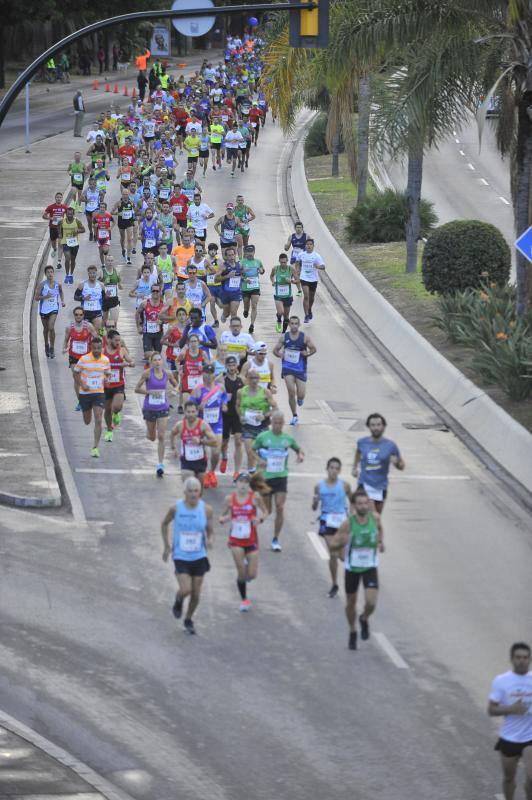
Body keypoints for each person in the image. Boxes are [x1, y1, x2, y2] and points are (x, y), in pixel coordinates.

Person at [327, 488, 384, 651]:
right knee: (350, 603)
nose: (364, 506)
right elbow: (333, 545)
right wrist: (343, 542)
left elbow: (380, 530)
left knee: (371, 602)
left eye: (366, 503)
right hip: (352, 567)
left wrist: (381, 542)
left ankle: (364, 618)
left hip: (370, 566)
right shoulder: (348, 524)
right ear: (354, 505)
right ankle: (352, 630)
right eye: (360, 504)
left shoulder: (375, 518)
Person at [161, 476, 214, 635]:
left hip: (199, 555)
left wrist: (210, 540)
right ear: (185, 492)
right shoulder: (176, 508)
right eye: (190, 491)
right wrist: (166, 546)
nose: (193, 494)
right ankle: (178, 600)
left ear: (200, 492)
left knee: (196, 593)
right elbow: (164, 524)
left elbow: (211, 531)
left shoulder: (206, 510)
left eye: (196, 491)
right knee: (186, 589)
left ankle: (188, 619)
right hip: (181, 555)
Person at [252, 410, 304, 552]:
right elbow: (252, 450)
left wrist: (300, 455)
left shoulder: (287, 439)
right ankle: (255, 527)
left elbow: (299, 449)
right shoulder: (263, 437)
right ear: (271, 422)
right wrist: (259, 460)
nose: (277, 425)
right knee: (267, 511)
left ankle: (275, 538)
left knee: (280, 507)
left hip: (281, 476)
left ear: (283, 423)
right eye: (275, 422)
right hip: (265, 477)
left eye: (280, 423)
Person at [488, 642, 532, 800]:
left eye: (526, 657)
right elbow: (491, 710)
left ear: (530, 660)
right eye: (518, 657)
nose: (522, 660)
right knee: (508, 779)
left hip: (530, 738)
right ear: (512, 659)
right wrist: (511, 709)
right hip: (509, 738)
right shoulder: (501, 680)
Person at [218, 472, 267, 612]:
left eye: (246, 482)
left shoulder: (255, 498)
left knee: (252, 575)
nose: (243, 485)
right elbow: (222, 516)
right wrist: (225, 519)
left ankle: (246, 568)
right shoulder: (229, 499)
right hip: (235, 540)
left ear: (249, 485)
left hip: (251, 540)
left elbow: (265, 511)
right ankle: (244, 600)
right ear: (236, 483)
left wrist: (260, 519)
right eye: (241, 481)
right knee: (241, 573)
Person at [135, 351, 178, 477]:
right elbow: (137, 388)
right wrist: (148, 392)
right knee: (152, 437)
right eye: (155, 360)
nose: (157, 362)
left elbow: (176, 385)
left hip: (163, 408)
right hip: (150, 408)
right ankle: (149, 432)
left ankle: (160, 464)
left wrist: (174, 391)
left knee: (161, 435)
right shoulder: (147, 373)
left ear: (162, 361)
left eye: (159, 359)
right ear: (151, 362)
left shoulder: (167, 373)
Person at [312, 458, 350, 598]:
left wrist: (351, 516)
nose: (333, 471)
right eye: (331, 468)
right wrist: (315, 501)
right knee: (333, 552)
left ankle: (353, 578)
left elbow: (353, 500)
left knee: (342, 556)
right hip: (326, 521)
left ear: (339, 471)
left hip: (341, 521)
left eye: (336, 468)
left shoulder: (345, 486)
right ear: (327, 469)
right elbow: (314, 507)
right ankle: (334, 584)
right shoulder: (319, 486)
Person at [352, 413, 405, 513]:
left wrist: (397, 463)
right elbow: (358, 452)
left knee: (376, 519)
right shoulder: (362, 442)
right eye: (373, 425)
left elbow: (402, 466)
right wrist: (354, 467)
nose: (376, 428)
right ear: (368, 426)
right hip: (364, 484)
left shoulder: (390, 446)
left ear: (383, 426)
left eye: (378, 425)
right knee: (364, 515)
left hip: (380, 486)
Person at [273, 315, 316, 426]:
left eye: (296, 323)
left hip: (300, 368)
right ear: (289, 325)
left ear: (299, 325)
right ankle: (294, 415)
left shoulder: (304, 337)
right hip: (288, 368)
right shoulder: (284, 337)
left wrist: (307, 353)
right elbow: (275, 350)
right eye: (292, 323)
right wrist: (280, 355)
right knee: (291, 392)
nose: (294, 325)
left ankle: (300, 399)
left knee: (300, 395)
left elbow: (313, 349)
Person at [191, 362, 228, 488]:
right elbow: (189, 407)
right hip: (203, 425)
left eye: (211, 373)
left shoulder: (220, 388)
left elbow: (224, 400)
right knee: (204, 451)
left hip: (217, 423)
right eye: (206, 373)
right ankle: (205, 473)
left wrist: (224, 405)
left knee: (216, 452)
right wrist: (197, 407)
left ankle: (211, 471)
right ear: (203, 374)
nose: (208, 376)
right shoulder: (197, 390)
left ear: (214, 375)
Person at [73, 337, 110, 457]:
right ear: (90, 348)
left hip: (99, 393)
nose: (97, 350)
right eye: (94, 348)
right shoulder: (84, 359)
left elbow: (107, 373)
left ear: (102, 347)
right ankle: (85, 411)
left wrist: (107, 380)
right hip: (85, 394)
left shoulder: (105, 360)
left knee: (98, 418)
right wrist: (82, 384)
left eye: (99, 348)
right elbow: (76, 372)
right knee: (87, 421)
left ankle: (95, 447)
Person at [170, 400, 218, 484]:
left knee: (198, 490)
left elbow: (215, 442)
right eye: (188, 412)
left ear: (197, 412)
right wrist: (174, 448)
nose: (191, 414)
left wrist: (201, 441)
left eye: (193, 412)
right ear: (184, 412)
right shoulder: (180, 425)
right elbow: (172, 433)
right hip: (186, 461)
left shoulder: (203, 425)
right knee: (190, 485)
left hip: (200, 461)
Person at [62, 307, 97, 409]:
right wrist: (64, 348)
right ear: (74, 315)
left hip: (86, 356)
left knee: (85, 378)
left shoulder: (89, 326)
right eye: (76, 314)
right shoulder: (69, 327)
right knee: (76, 377)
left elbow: (97, 338)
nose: (78, 316)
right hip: (74, 356)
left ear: (83, 315)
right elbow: (66, 340)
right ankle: (80, 402)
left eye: (80, 314)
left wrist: (97, 350)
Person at [103, 329, 134, 441]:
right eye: (116, 340)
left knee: (117, 406)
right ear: (109, 340)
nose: (118, 343)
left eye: (119, 340)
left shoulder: (122, 351)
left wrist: (128, 364)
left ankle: (116, 413)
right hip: (106, 385)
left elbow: (132, 362)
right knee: (107, 410)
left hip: (118, 384)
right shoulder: (103, 352)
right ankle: (109, 430)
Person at [34, 265, 65, 358]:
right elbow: (36, 298)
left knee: (51, 327)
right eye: (48, 272)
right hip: (44, 309)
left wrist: (63, 301)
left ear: (53, 273)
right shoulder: (42, 285)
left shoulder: (57, 284)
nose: (50, 274)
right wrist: (45, 297)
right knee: (46, 329)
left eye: (51, 272)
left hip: (54, 308)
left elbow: (61, 292)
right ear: (45, 274)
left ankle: (52, 347)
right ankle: (46, 345)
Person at [221, 354, 244, 476]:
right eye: (229, 365)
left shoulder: (242, 380)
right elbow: (215, 394)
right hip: (225, 415)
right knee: (224, 442)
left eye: (233, 365)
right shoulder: (222, 380)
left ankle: (237, 471)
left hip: (237, 415)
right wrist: (223, 400)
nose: (232, 367)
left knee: (238, 442)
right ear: (226, 366)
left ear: (237, 366)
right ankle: (224, 457)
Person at [295, 238, 325, 323]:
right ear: (305, 246)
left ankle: (309, 309)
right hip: (304, 278)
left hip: (313, 279)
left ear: (313, 246)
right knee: (306, 296)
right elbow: (297, 262)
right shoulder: (301, 254)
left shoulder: (316, 256)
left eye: (310, 244)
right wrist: (297, 270)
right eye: (307, 244)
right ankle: (306, 315)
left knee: (311, 298)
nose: (309, 246)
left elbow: (323, 266)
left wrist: (318, 266)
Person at [271, 252, 297, 333]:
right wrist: (273, 282)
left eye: (284, 262)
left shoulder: (291, 269)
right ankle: (279, 321)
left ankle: (284, 332)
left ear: (287, 261)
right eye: (281, 262)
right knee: (280, 312)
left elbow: (298, 280)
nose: (283, 264)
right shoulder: (275, 268)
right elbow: (271, 276)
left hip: (288, 295)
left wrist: (291, 281)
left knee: (286, 316)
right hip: (278, 295)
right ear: (279, 261)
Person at [42, 192, 68, 269]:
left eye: (60, 197)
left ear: (62, 198)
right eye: (57, 197)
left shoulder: (64, 207)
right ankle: (54, 249)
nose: (59, 198)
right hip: (53, 227)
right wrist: (51, 218)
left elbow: (69, 216)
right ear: (55, 198)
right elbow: (44, 216)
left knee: (60, 244)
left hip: (61, 228)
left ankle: (59, 261)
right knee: (53, 242)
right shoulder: (50, 207)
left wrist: (65, 220)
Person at [59, 206, 85, 283]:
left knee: (73, 260)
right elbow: (58, 227)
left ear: (73, 214)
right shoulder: (62, 221)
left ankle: (71, 275)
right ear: (66, 214)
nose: (69, 215)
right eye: (68, 214)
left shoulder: (77, 221)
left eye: (71, 214)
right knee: (68, 258)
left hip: (74, 242)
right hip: (65, 242)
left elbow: (83, 229)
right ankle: (67, 275)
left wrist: (78, 231)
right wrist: (60, 234)